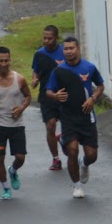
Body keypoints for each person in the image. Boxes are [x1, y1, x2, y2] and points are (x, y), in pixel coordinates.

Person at [42, 35, 103, 198]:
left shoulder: (89, 67)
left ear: (78, 48)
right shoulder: (59, 70)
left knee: (92, 155)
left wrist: (93, 98)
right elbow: (48, 91)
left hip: (87, 118)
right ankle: (77, 186)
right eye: (66, 49)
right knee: (72, 150)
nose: (68, 52)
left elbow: (100, 86)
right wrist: (55, 96)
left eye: (71, 48)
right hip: (68, 118)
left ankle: (84, 164)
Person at [0, 45, 31, 201]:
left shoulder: (20, 79)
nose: (3, 64)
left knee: (20, 157)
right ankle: (5, 188)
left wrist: (21, 107)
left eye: (6, 60)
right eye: (0, 61)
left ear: (10, 60)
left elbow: (28, 97)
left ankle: (13, 170)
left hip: (17, 125)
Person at [30, 24, 68, 171]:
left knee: (69, 126)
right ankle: (56, 159)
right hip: (47, 95)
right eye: (44, 38)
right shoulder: (39, 54)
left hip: (65, 95)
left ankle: (63, 138)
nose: (46, 41)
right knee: (50, 125)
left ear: (56, 39)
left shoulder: (65, 51)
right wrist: (34, 79)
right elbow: (36, 71)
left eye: (50, 38)